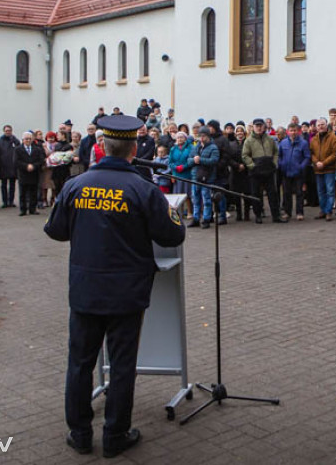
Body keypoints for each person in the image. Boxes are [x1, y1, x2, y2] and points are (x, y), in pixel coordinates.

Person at [44, 114, 185, 459]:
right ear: (134, 148)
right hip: (127, 292)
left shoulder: (75, 185)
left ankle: (79, 433)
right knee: (122, 365)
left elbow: (56, 230)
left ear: (102, 146)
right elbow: (173, 233)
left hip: (86, 289)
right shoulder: (143, 188)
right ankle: (114, 435)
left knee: (79, 362)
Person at [243, 118, 283, 224]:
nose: (259, 127)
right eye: (257, 126)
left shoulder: (270, 139)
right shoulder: (249, 140)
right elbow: (245, 155)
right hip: (255, 172)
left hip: (269, 171)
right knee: (256, 194)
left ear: (264, 126)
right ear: (253, 127)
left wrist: (274, 163)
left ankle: (276, 216)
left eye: (261, 125)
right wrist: (252, 166)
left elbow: (276, 152)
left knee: (273, 194)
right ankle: (258, 215)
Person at [278, 122, 310, 221]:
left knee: (299, 193)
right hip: (286, 172)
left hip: (298, 172)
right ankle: (287, 212)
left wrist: (301, 166)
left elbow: (307, 157)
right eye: (291, 131)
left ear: (298, 131)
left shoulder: (303, 143)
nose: (293, 132)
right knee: (286, 193)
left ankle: (300, 213)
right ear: (288, 132)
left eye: (295, 130)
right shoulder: (283, 143)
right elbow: (279, 156)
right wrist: (281, 164)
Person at [310, 118, 336, 221]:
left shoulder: (333, 137)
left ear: (326, 125)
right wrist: (316, 162)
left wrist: (324, 163)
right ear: (316, 127)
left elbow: (335, 153)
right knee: (320, 191)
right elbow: (311, 153)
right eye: (318, 125)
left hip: (329, 169)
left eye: (322, 124)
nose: (321, 126)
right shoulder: (314, 139)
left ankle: (328, 212)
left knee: (330, 191)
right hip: (318, 170)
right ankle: (322, 210)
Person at [188, 128, 219, 229]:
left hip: (207, 177)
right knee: (195, 199)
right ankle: (196, 219)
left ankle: (206, 219)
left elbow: (214, 161)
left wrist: (200, 160)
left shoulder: (213, 147)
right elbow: (188, 161)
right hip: (195, 176)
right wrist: (194, 160)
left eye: (204, 136)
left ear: (208, 136)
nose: (201, 138)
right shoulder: (195, 147)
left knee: (206, 199)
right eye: (200, 136)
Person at [16, 131, 46, 216]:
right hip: (23, 174)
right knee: (23, 193)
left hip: (34, 173)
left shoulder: (37, 149)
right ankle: (23, 209)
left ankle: (33, 209)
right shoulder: (18, 149)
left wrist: (33, 166)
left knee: (33, 192)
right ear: (23, 140)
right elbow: (16, 161)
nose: (28, 140)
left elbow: (40, 160)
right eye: (26, 139)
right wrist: (26, 166)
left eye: (29, 139)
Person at [0, 125, 21, 208]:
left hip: (13, 166)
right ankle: (5, 201)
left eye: (9, 130)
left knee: (12, 185)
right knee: (3, 185)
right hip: (3, 166)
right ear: (4, 131)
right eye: (6, 131)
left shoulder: (15, 141)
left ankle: (11, 201)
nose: (8, 132)